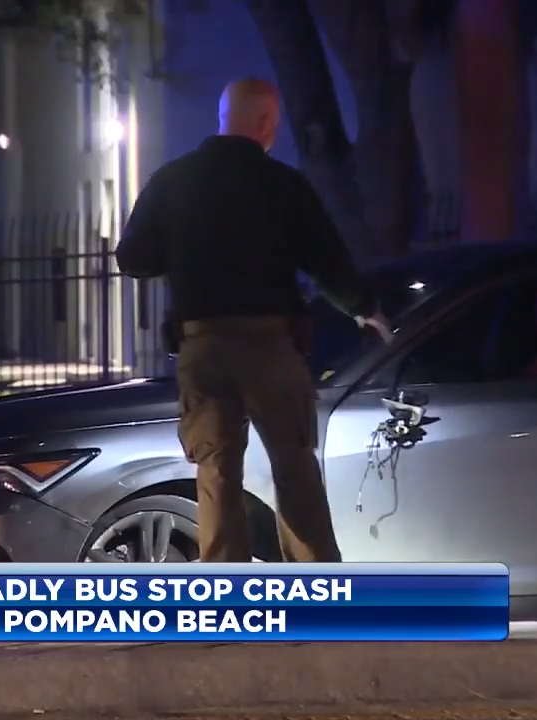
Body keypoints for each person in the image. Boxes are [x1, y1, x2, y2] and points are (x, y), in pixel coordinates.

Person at [114, 78, 387, 564]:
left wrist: (182, 253)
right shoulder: (283, 184)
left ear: (223, 118)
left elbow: (132, 257)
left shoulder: (172, 181)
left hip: (202, 345)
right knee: (294, 464)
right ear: (265, 123)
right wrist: (364, 307)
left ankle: (225, 583)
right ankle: (315, 579)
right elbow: (326, 259)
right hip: (270, 345)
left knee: (216, 471)